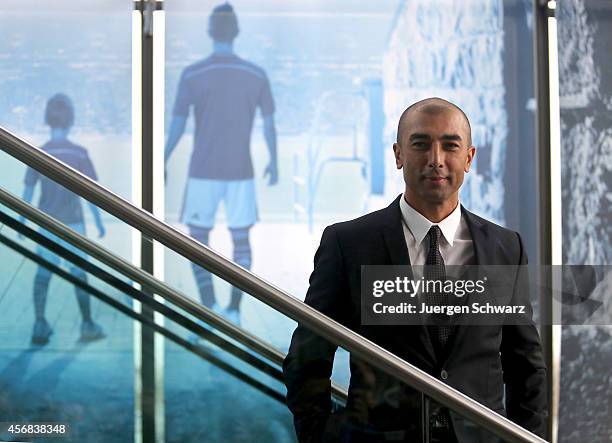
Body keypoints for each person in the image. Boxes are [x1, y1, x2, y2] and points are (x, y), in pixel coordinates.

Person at [283, 98, 547, 442]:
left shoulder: (506, 248)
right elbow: (308, 357)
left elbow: (525, 365)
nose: (436, 159)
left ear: (469, 158)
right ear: (397, 155)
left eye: (450, 146)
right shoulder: (347, 244)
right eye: (420, 144)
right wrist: (322, 434)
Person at [165, 2, 278, 326]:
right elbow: (270, 125)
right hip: (240, 170)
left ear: (209, 32)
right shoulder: (256, 75)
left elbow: (177, 124)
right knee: (241, 240)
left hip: (202, 170)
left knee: (197, 239)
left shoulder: (193, 74)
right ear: (237, 32)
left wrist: (163, 158)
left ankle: (209, 308)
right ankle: (233, 309)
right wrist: (274, 161)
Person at [23, 93, 106, 345]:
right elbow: (93, 194)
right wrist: (99, 221)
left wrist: (21, 220)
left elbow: (28, 190)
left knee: (43, 273)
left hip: (46, 223)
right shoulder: (80, 153)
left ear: (48, 119)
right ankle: (87, 324)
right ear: (71, 119)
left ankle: (39, 324)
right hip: (74, 223)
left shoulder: (38, 152)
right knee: (79, 273)